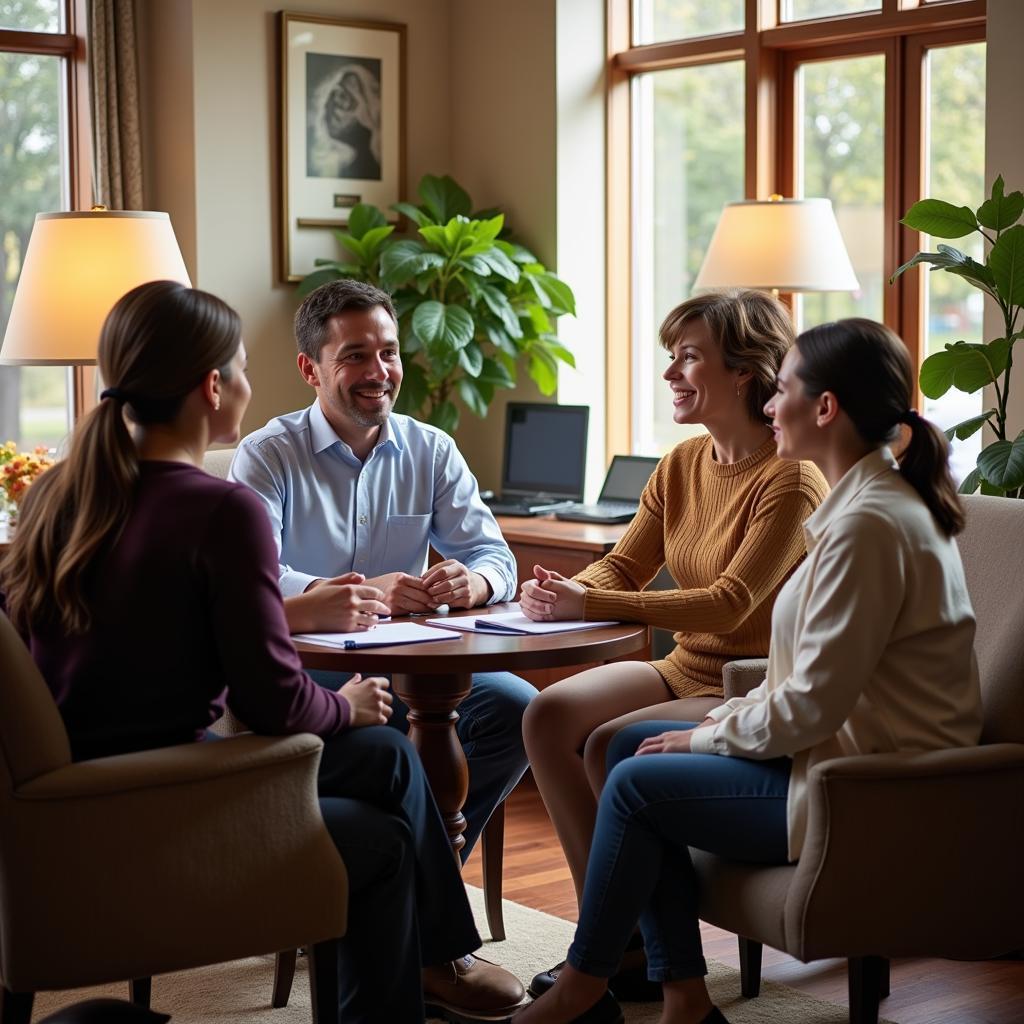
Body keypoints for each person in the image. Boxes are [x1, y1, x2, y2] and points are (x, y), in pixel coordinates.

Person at [0, 280, 526, 1024]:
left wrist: (464, 584)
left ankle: (437, 954)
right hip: (169, 792)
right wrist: (343, 705)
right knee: (385, 770)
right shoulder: (222, 505)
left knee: (392, 763)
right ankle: (434, 959)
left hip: (82, 788)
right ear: (214, 386)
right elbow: (270, 700)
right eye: (244, 367)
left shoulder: (54, 495)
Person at [514, 317, 983, 1024]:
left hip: (867, 786)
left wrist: (704, 735)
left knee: (639, 781)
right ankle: (678, 996)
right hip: (835, 757)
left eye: (784, 389)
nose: (770, 404)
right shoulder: (862, 510)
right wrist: (717, 725)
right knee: (635, 761)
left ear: (824, 408)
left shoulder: (866, 526)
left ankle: (597, 981)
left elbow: (810, 705)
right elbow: (801, 681)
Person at [519, 291, 828, 998]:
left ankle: (626, 952)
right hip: (684, 663)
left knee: (606, 746)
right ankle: (617, 933)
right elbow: (623, 565)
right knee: (547, 715)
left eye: (689, 357)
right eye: (672, 356)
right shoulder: (682, 462)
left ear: (745, 371)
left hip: (747, 680)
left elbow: (730, 602)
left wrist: (588, 600)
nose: (671, 373)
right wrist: (559, 589)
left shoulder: (791, 476)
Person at [229, 277, 536, 865]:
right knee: (391, 733)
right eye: (354, 356)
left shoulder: (432, 449)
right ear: (309, 369)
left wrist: (473, 581)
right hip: (311, 667)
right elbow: (255, 579)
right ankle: (417, 888)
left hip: (417, 667)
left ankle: (426, 875)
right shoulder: (268, 454)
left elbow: (496, 557)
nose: (379, 370)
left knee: (518, 708)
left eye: (389, 352)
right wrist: (355, 593)